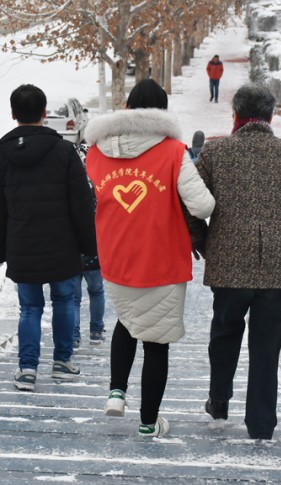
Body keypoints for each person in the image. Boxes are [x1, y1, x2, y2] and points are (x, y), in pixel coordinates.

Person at [193, 83, 281, 441]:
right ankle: (261, 423)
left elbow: (189, 202)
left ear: (235, 115)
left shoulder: (214, 154)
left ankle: (219, 402)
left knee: (224, 334)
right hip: (276, 269)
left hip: (228, 266)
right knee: (266, 347)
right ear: (270, 116)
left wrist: (201, 241)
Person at [84, 79, 215, 437]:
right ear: (163, 111)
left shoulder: (96, 151)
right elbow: (202, 204)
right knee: (156, 339)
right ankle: (147, 422)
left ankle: (116, 392)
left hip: (116, 255)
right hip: (162, 258)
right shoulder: (174, 151)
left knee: (128, 320)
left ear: (128, 107)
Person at [0, 84, 97, 392]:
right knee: (64, 301)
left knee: (30, 308)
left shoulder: (2, 156)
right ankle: (62, 362)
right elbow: (81, 203)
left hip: (22, 243)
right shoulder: (64, 151)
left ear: (13, 115)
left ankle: (27, 369)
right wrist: (89, 246)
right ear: (45, 114)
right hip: (62, 243)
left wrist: (0, 251)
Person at [72, 141, 105, 348]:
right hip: (95, 246)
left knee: (73, 297)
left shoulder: (69, 184)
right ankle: (96, 330)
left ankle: (74, 335)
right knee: (96, 290)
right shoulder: (98, 184)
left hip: (73, 248)